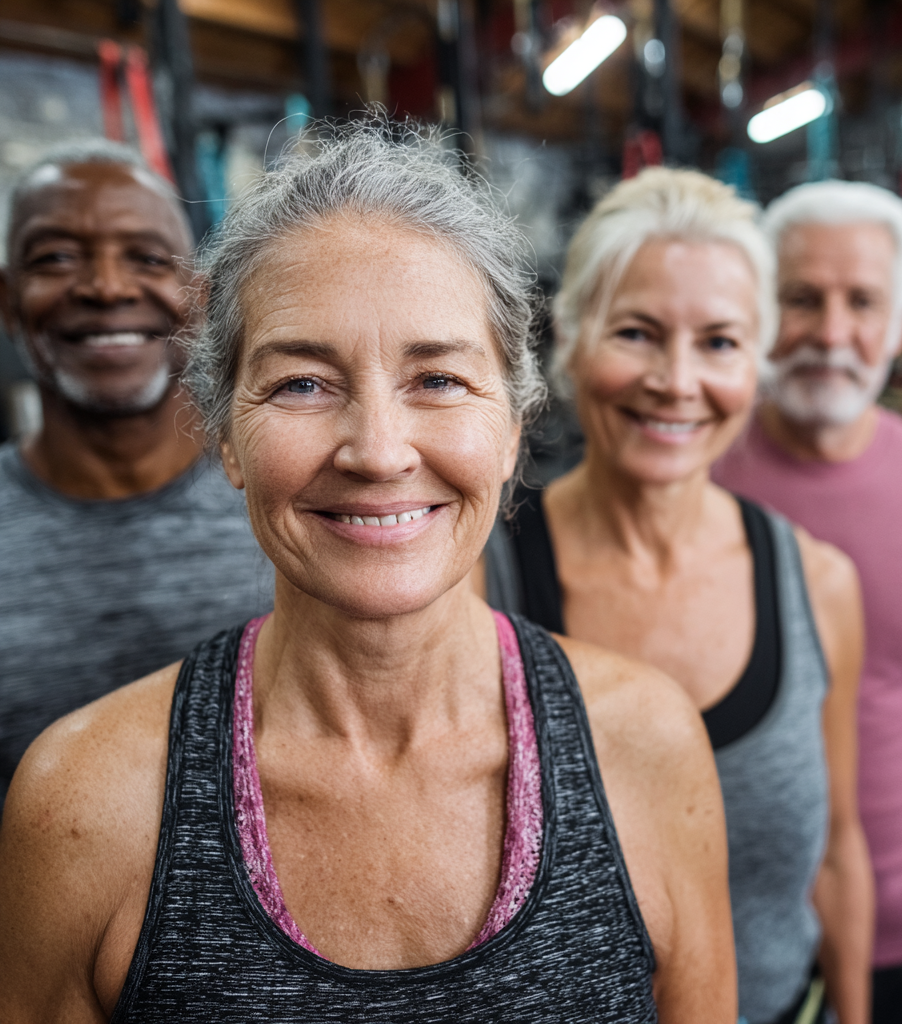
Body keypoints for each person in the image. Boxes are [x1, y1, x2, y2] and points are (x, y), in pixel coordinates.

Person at [0, 124, 735, 1022]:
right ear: (226, 434)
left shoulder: (648, 746)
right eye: (302, 383)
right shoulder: (81, 803)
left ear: (513, 424)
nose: (379, 452)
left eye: (439, 379)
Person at [483, 168, 873, 1024]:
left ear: (758, 365)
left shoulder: (817, 583)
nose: (677, 380)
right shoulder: (480, 579)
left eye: (720, 343)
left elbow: (838, 852)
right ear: (573, 342)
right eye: (637, 332)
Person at [713, 181, 902, 1024]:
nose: (834, 332)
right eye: (804, 299)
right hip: (723, 930)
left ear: (899, 323)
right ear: (764, 309)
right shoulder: (694, 479)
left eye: (863, 302)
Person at [0, 141, 274, 814]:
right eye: (56, 257)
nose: (107, 287)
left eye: (147, 258)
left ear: (198, 299)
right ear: (8, 302)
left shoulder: (291, 497)